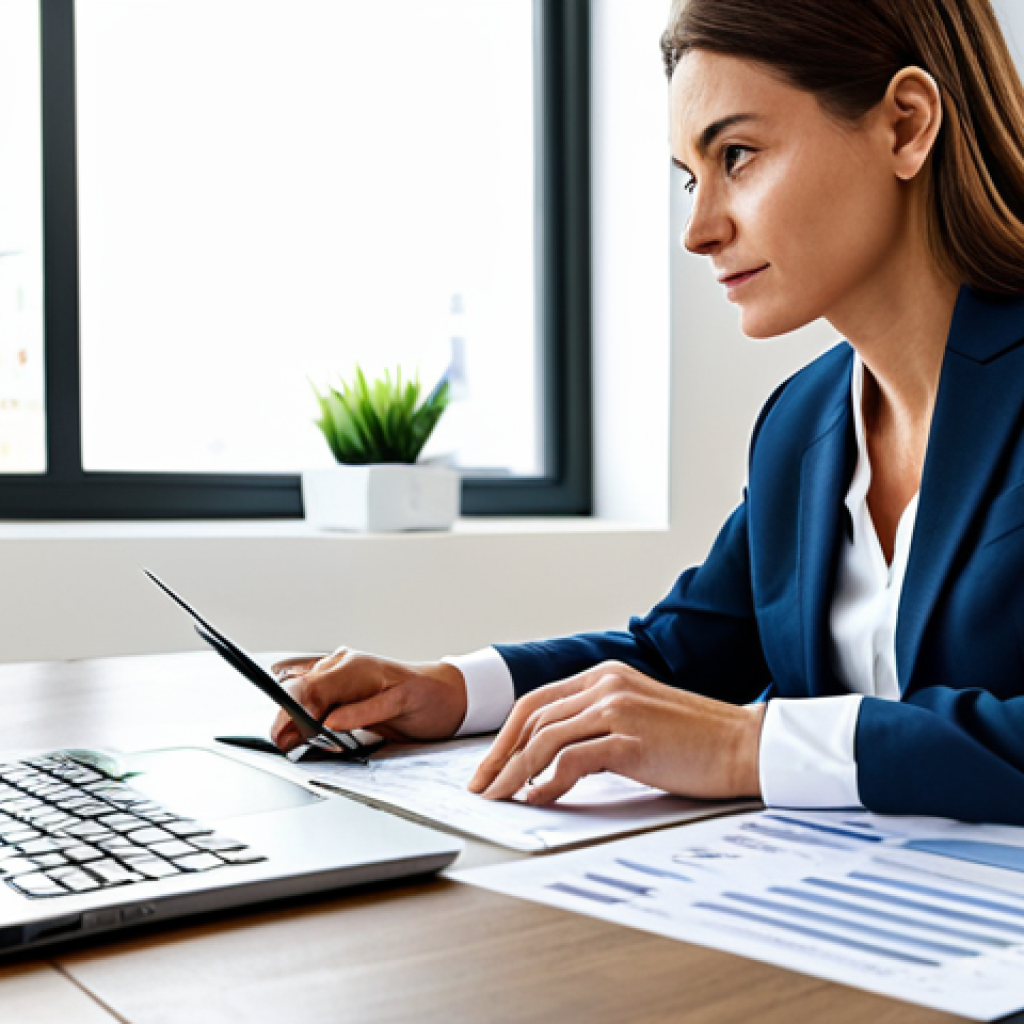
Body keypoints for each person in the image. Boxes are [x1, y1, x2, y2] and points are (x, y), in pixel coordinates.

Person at [272, 0, 1024, 826]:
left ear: (906, 126)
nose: (698, 230)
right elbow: (679, 658)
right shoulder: (802, 427)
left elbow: (728, 727)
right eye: (690, 178)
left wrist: (749, 746)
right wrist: (447, 689)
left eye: (737, 155)